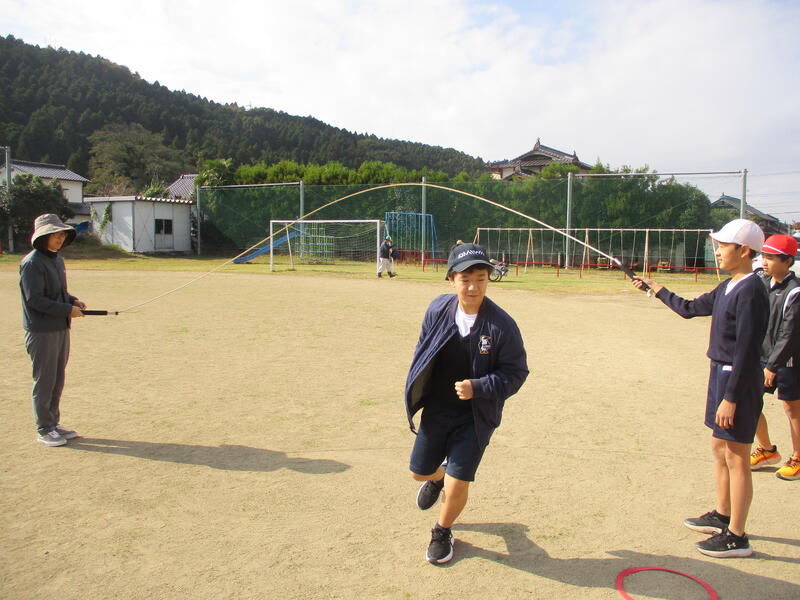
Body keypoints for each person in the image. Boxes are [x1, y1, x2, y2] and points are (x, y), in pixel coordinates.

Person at [632, 218, 768, 558]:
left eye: (722, 246)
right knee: (719, 449)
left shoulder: (752, 291)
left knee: (737, 456)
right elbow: (690, 309)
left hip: (738, 380)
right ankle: (723, 514)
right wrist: (656, 289)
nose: (717, 251)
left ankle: (737, 536)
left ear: (744, 250)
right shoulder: (727, 286)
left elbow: (748, 350)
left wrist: (731, 398)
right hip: (720, 374)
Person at [405, 242, 528, 564]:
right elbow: (423, 349)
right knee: (419, 472)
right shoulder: (437, 309)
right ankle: (437, 478)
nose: (473, 287)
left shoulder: (502, 325)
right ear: (451, 280)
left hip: (476, 416)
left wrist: (480, 387)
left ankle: (442, 531)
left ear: (489, 279)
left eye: (481, 279)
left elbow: (516, 373)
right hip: (437, 409)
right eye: (465, 279)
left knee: (458, 482)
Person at [19, 214, 86, 447]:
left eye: (62, 235)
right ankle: (44, 428)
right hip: (41, 331)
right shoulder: (32, 263)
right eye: (54, 235)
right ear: (42, 237)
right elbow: (35, 299)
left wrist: (72, 300)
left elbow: (57, 292)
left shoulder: (56, 260)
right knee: (45, 380)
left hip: (60, 327)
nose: (59, 239)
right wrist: (67, 309)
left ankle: (54, 423)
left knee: (57, 378)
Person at [749, 234, 800, 480]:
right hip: (762, 356)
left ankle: (798, 457)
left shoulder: (795, 291)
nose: (764, 261)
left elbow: (790, 333)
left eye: (770, 257)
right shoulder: (762, 282)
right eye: (763, 256)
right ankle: (767, 449)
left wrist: (772, 365)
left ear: (787, 261)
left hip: (788, 360)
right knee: (749, 401)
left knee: (792, 408)